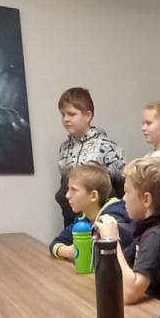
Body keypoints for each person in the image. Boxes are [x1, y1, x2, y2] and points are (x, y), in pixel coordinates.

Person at [95, 157, 160, 304]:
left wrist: (112, 241)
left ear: (146, 199)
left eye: (127, 192)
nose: (123, 199)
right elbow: (123, 270)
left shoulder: (157, 237)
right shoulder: (147, 230)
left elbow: (130, 293)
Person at [55, 87, 125, 227]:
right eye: (63, 114)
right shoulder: (64, 148)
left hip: (98, 219)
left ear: (87, 116)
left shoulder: (106, 146)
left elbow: (121, 186)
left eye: (71, 114)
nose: (66, 119)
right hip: (70, 216)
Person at [48, 164, 133, 260]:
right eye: (68, 189)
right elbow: (56, 243)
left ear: (93, 196)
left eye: (74, 190)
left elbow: (103, 257)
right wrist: (68, 251)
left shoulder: (114, 218)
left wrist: (78, 252)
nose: (67, 195)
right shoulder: (83, 218)